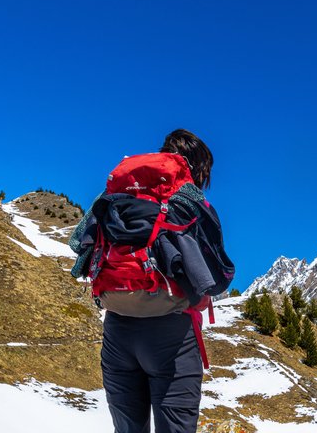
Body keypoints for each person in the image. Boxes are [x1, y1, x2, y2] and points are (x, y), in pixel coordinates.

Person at [75, 129, 229, 433]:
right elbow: (219, 273)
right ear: (198, 167)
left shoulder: (118, 190)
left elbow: (78, 240)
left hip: (118, 330)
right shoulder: (187, 193)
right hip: (171, 335)